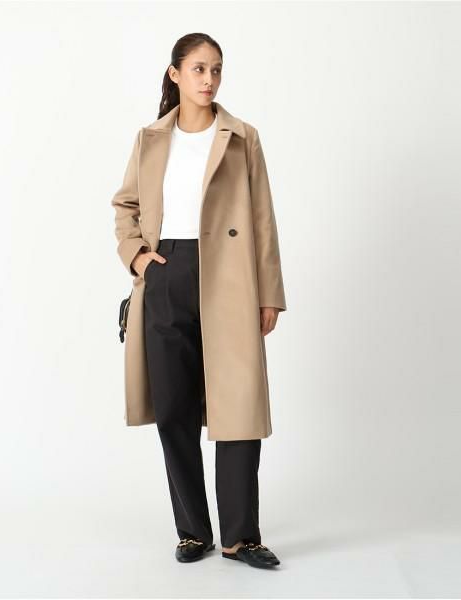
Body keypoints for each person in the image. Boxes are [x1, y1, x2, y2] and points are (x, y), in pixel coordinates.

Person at [111, 33, 286, 569]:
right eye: (198, 69)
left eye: (216, 69)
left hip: (230, 278)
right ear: (175, 74)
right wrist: (139, 258)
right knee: (174, 409)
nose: (209, 80)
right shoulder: (150, 138)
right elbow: (125, 205)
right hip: (166, 273)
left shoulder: (242, 137)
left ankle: (241, 537)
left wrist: (269, 293)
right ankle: (192, 531)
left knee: (238, 407)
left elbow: (262, 218)